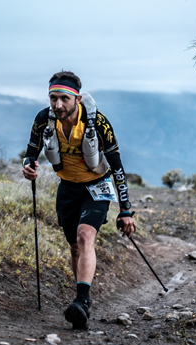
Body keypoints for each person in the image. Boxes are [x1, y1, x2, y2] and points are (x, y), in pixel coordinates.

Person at [22, 71, 135, 330]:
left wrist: (125, 210)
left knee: (86, 237)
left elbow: (117, 166)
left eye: (64, 98)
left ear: (78, 99)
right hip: (68, 188)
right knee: (74, 245)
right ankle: (81, 297)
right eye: (53, 98)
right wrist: (28, 167)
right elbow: (30, 153)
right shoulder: (43, 119)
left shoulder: (98, 123)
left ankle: (82, 301)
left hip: (98, 185)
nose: (58, 105)